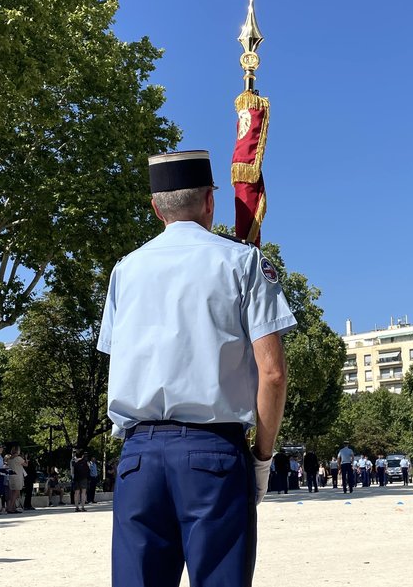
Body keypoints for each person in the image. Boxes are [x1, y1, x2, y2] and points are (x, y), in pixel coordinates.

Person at [97, 150, 296, 587]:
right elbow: (273, 373)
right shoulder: (242, 262)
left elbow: (120, 359)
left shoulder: (124, 271)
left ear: (156, 208)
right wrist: (262, 459)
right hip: (213, 454)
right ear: (210, 202)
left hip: (139, 457)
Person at [7, 445, 26, 513]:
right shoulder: (18, 458)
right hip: (17, 476)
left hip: (11, 477)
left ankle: (12, 507)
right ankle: (11, 508)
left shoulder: (9, 459)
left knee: (12, 493)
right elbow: (26, 464)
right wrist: (26, 458)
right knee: (16, 493)